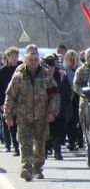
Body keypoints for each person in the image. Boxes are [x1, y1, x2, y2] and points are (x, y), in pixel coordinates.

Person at [4, 45, 59, 180]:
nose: (33, 62)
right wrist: (8, 114)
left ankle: (37, 168)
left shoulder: (46, 75)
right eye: (31, 59)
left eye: (35, 59)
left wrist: (52, 112)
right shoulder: (19, 76)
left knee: (40, 144)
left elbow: (54, 95)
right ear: (26, 60)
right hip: (24, 116)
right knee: (25, 143)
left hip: (41, 116)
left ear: (39, 59)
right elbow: (10, 96)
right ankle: (26, 168)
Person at [42, 54, 71, 161]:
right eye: (48, 67)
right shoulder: (41, 76)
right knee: (45, 132)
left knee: (58, 132)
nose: (50, 69)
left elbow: (67, 91)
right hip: (44, 109)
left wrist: (63, 105)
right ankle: (45, 151)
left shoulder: (62, 75)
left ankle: (57, 152)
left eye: (52, 66)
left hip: (59, 109)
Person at [63, 49, 82, 151]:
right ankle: (71, 141)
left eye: (74, 58)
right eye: (70, 59)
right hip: (69, 98)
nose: (72, 61)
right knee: (70, 120)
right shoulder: (64, 71)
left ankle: (80, 140)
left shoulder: (81, 69)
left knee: (79, 120)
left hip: (79, 97)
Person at [0, 47, 18, 153]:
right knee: (7, 122)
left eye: (16, 56)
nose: (14, 58)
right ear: (8, 57)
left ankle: (17, 146)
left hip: (20, 101)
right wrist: (1, 103)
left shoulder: (21, 68)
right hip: (6, 100)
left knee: (18, 124)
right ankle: (8, 144)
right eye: (12, 56)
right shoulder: (3, 71)